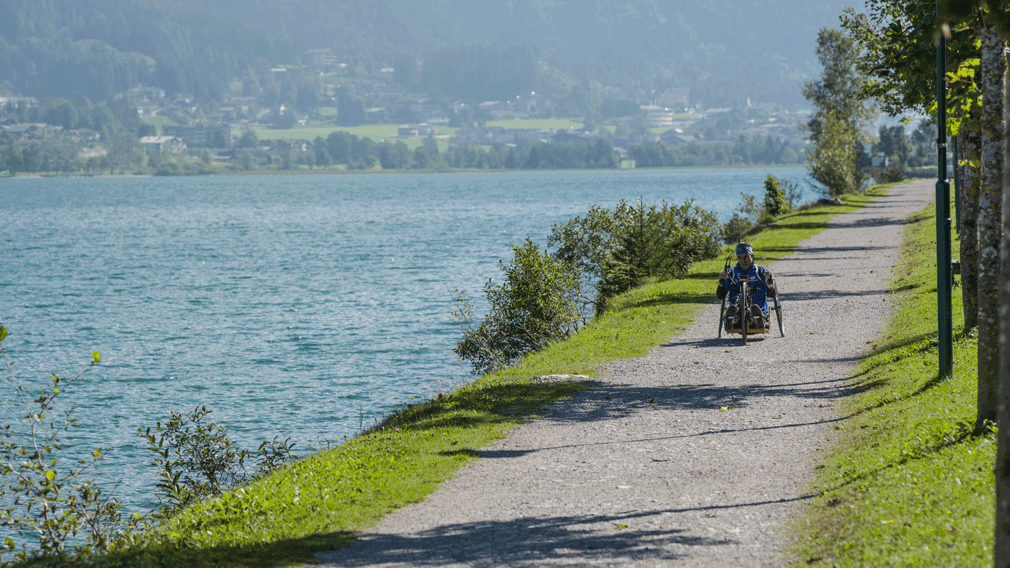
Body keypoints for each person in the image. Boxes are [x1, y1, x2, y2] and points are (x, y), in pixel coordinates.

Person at [717, 242, 775, 333]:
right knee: (735, 307)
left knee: (756, 309)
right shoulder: (731, 273)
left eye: (746, 257)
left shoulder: (760, 271)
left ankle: (759, 318)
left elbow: (773, 294)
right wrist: (721, 284)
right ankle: (731, 318)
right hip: (739, 313)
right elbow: (720, 296)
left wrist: (769, 284)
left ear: (752, 256)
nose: (743, 260)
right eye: (740, 257)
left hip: (758, 309)